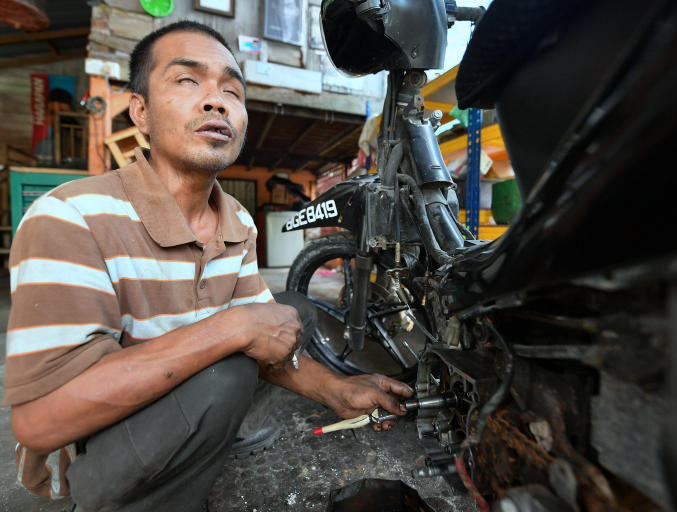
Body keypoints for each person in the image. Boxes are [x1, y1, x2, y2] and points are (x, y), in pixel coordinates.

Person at [3, 21, 413, 511]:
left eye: (232, 91)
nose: (216, 101)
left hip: (184, 396)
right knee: (228, 371)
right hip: (101, 451)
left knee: (289, 312)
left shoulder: (236, 218)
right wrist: (231, 328)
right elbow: (40, 421)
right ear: (141, 112)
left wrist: (338, 392)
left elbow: (266, 337)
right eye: (187, 81)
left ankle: (217, 433)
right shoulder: (71, 217)